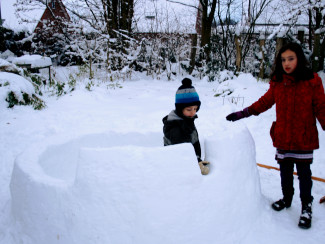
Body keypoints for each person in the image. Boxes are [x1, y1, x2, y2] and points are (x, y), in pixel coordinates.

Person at [226, 42, 325, 229]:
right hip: (283, 137)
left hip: (304, 138)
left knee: (304, 175)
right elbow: (264, 103)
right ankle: (287, 199)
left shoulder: (312, 81)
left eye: (291, 59)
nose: (286, 63)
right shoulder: (278, 82)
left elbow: (321, 107)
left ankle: (306, 207)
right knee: (285, 172)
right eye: (283, 60)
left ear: (299, 59)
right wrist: (243, 113)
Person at [163, 78, 210, 175]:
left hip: (189, 163)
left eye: (195, 108)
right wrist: (197, 163)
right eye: (189, 109)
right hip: (178, 170)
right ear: (180, 109)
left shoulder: (187, 119)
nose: (193, 112)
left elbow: (192, 142)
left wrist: (198, 158)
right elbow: (182, 153)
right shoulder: (175, 127)